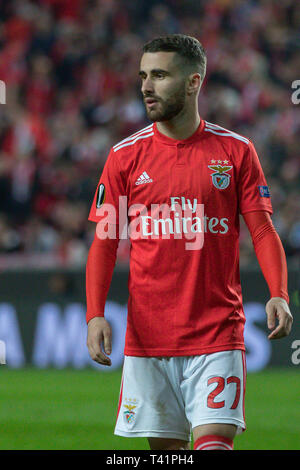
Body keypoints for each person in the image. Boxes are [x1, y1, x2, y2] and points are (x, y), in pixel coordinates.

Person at [86, 34, 293, 451]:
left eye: (160, 75)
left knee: (213, 445)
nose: (146, 85)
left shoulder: (235, 151)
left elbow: (263, 230)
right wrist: (95, 314)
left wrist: (279, 293)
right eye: (144, 75)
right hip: (148, 339)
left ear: (193, 81)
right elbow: (105, 242)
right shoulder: (124, 156)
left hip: (217, 333)